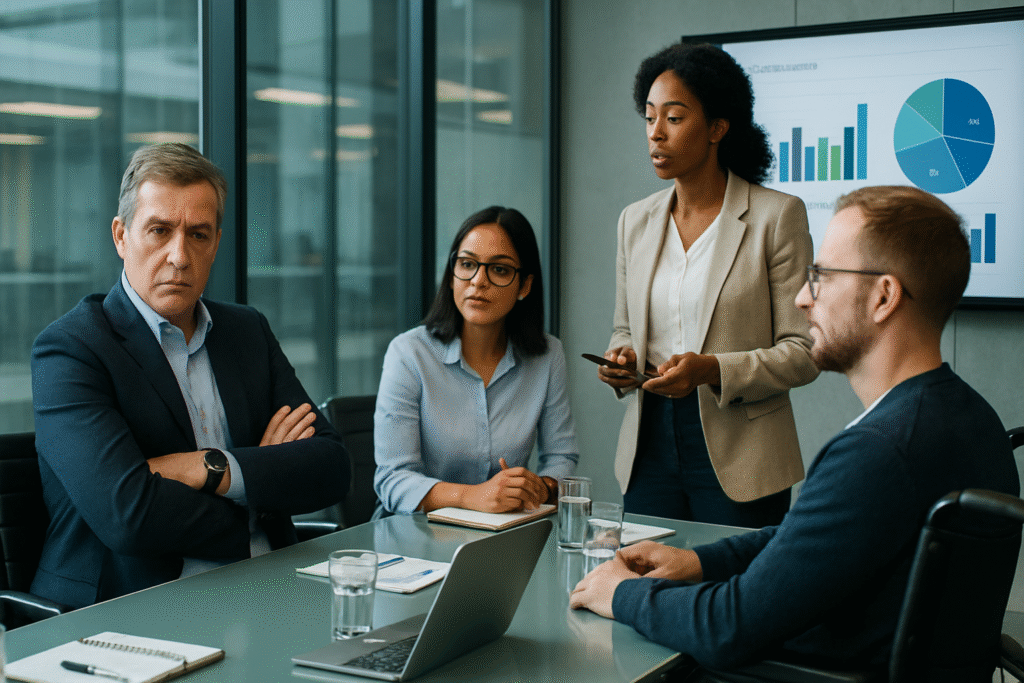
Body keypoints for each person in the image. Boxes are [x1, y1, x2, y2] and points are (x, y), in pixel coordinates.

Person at [570, 185, 1020, 672]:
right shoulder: (974, 422)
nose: (803, 298)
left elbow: (730, 626)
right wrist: (700, 563)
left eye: (822, 276)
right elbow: (807, 544)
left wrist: (623, 594)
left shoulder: (876, 454)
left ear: (884, 296)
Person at [30, 143, 350, 609]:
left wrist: (204, 466)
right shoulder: (71, 349)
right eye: (159, 230)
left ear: (216, 242)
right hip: (132, 608)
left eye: (198, 235)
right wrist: (255, 483)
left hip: (271, 589)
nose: (179, 256)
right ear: (121, 236)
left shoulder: (246, 331)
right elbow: (128, 515)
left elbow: (331, 469)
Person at [598, 42, 819, 525]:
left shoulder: (776, 216)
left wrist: (710, 369)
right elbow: (623, 329)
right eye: (650, 117)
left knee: (736, 595)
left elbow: (804, 352)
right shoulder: (634, 222)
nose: (656, 134)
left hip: (742, 452)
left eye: (674, 119)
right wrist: (622, 359)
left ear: (717, 127)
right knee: (649, 589)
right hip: (648, 446)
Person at [374, 206, 578, 515]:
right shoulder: (409, 353)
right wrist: (471, 497)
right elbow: (392, 479)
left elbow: (562, 457)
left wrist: (543, 486)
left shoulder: (547, 356)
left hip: (507, 531)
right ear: (453, 273)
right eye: (467, 264)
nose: (478, 281)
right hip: (415, 532)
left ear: (524, 285)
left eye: (499, 269)